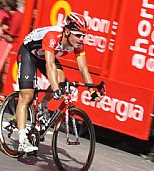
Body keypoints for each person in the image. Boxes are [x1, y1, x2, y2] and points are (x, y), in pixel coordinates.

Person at [14, 12, 102, 153]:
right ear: (67, 31)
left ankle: (42, 107)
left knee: (62, 79)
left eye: (83, 36)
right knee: (27, 96)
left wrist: (92, 90)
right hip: (29, 53)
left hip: (44, 56)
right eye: (78, 35)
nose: (81, 39)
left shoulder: (77, 43)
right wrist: (55, 90)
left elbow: (83, 68)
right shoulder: (53, 36)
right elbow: (50, 65)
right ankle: (22, 140)